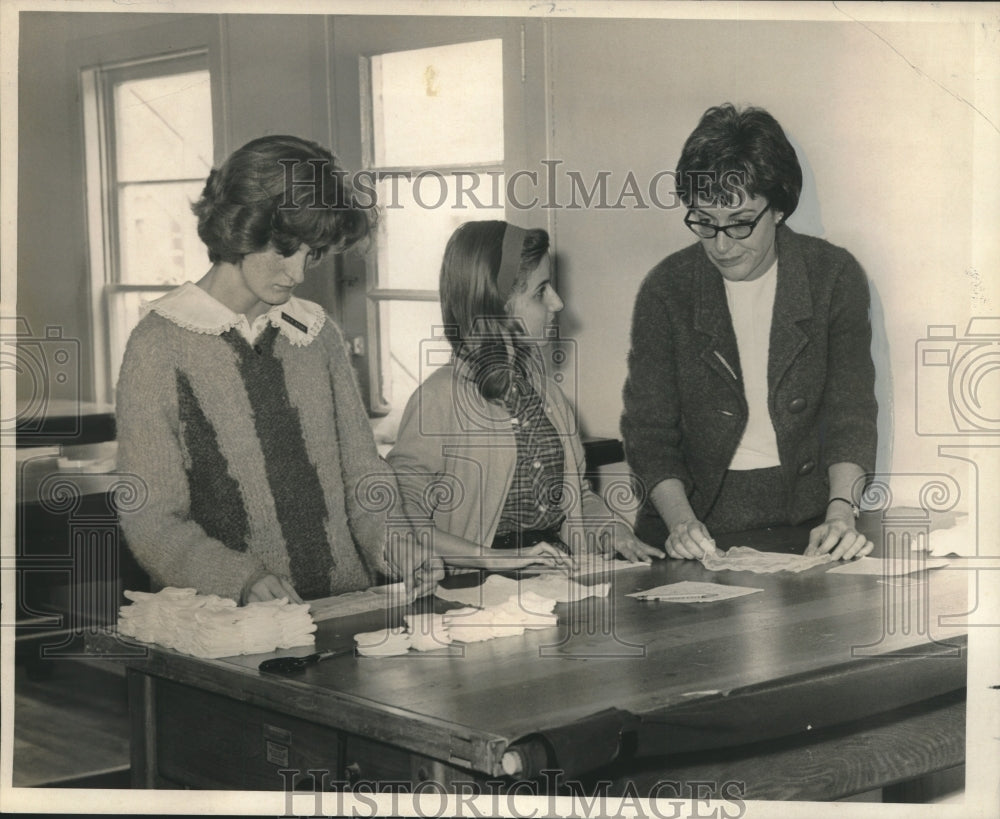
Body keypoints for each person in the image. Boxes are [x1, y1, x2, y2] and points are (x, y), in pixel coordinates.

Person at [116, 135, 432, 605]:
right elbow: (151, 518)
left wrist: (398, 543)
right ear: (241, 227)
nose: (299, 273)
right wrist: (239, 580)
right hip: (227, 621)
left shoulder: (315, 333)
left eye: (313, 254)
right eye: (285, 250)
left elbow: (363, 474)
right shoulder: (159, 344)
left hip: (339, 606)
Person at [621, 104, 877, 562]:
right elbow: (648, 433)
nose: (721, 245)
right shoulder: (666, 288)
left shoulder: (832, 276)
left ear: (777, 208)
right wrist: (681, 523)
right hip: (692, 530)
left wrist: (841, 511)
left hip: (806, 524)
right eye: (703, 221)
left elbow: (850, 413)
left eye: (740, 222)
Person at [388, 220, 664, 572]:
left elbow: (576, 495)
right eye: (541, 291)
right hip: (474, 591)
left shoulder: (545, 390)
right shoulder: (438, 398)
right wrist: (492, 558)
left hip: (557, 576)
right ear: (496, 303)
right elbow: (400, 516)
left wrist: (612, 529)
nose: (558, 303)